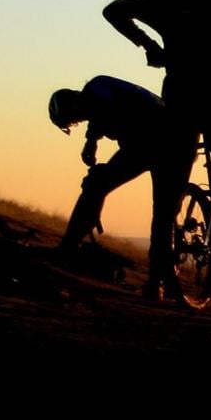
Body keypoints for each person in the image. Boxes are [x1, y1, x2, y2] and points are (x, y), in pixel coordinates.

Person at [102, 0, 211, 302]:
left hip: (177, 97)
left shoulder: (168, 1)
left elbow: (114, 9)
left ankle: (157, 278)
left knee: (167, 193)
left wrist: (150, 44)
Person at [48, 75, 165, 278]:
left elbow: (100, 111)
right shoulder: (98, 92)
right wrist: (91, 143)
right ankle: (159, 277)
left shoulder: (97, 88)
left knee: (96, 184)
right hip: (150, 141)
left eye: (73, 119)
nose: (77, 121)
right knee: (99, 183)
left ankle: (69, 246)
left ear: (73, 103)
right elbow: (98, 115)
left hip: (151, 142)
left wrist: (91, 143)